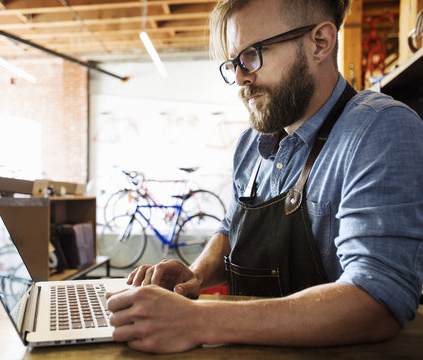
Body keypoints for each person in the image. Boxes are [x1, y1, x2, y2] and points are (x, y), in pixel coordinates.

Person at [106, 0, 423, 354]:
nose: (240, 77)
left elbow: (377, 300)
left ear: (320, 42)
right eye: (233, 64)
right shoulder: (251, 145)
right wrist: (195, 276)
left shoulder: (380, 131)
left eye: (252, 55)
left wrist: (198, 319)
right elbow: (230, 231)